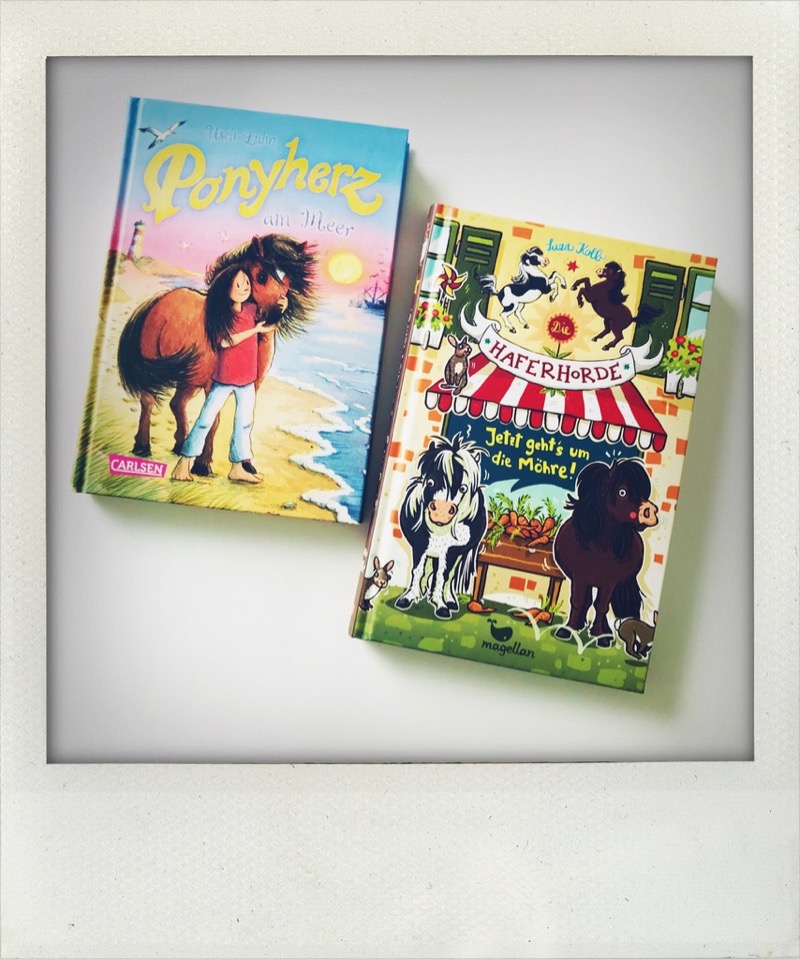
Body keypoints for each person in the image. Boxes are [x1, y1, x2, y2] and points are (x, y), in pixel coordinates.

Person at [171, 266, 272, 484]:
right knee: (205, 420)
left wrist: (283, 307)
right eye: (238, 284)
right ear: (227, 288)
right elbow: (226, 341)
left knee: (244, 423)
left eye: (247, 283)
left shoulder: (252, 309)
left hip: (247, 379)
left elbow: (269, 321)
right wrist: (254, 330)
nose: (244, 288)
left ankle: (238, 467)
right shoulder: (221, 315)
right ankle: (184, 463)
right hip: (224, 378)